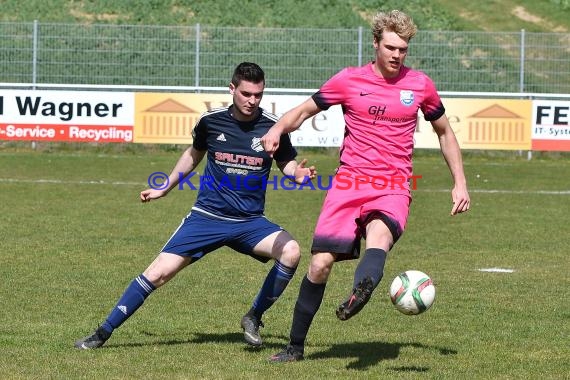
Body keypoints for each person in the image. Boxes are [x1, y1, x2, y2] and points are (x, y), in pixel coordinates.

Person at [261, 10, 471, 362]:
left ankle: (364, 287)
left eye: (403, 49)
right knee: (319, 265)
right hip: (348, 183)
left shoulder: (420, 85)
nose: (396, 55)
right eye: (390, 47)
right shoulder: (348, 80)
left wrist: (460, 183)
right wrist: (276, 130)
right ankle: (295, 348)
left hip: (393, 184)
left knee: (380, 237)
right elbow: (302, 111)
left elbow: (444, 132)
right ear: (375, 44)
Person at [75, 62, 316, 350]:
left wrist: (297, 174)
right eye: (246, 93)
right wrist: (166, 187)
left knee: (291, 251)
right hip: (207, 218)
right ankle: (102, 332)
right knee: (157, 273)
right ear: (232, 89)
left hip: (249, 222)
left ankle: (253, 316)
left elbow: (286, 162)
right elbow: (193, 155)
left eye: (258, 95)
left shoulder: (272, 126)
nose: (252, 100)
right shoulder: (210, 122)